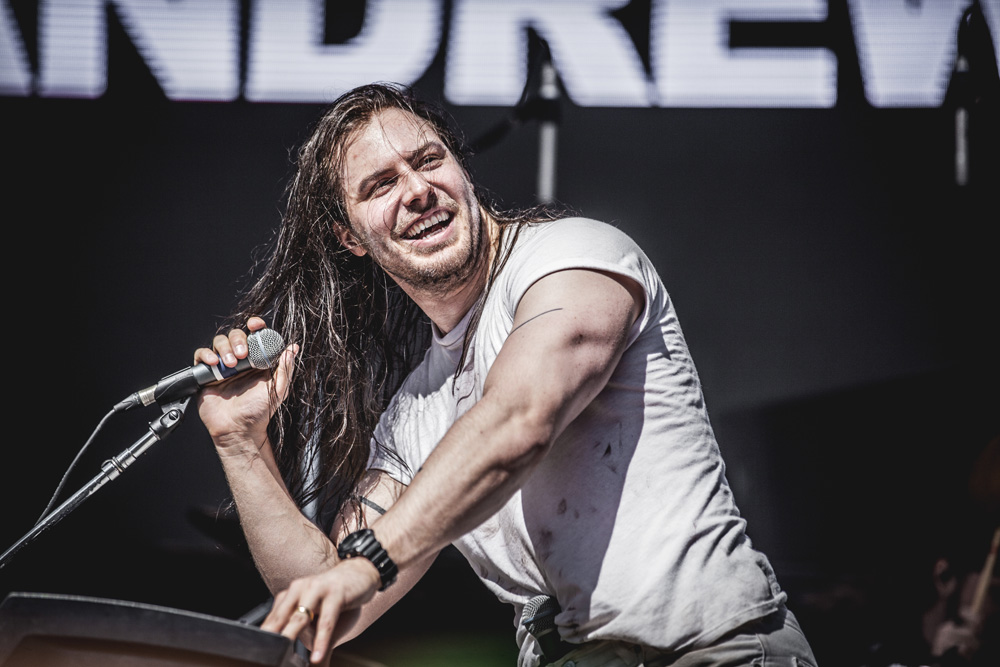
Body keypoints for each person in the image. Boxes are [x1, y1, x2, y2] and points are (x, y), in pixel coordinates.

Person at [193, 83, 816, 666]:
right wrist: (241, 443)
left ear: (461, 171)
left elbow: (518, 420)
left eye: (428, 160)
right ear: (349, 236)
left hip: (716, 651)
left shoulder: (574, 257)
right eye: (381, 184)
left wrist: (370, 561)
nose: (417, 189)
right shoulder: (414, 414)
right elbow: (326, 600)